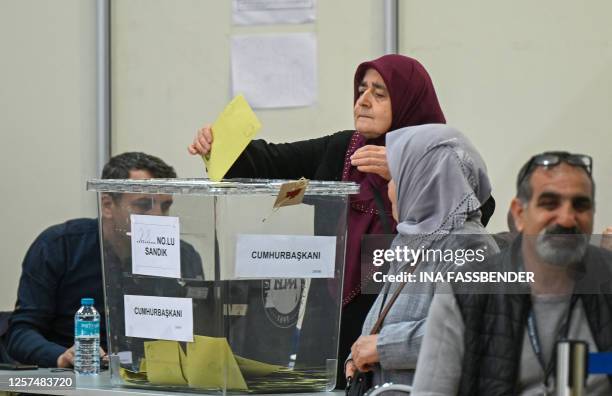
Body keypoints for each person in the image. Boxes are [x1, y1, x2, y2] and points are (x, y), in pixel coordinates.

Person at [189, 54, 455, 386]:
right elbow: (265, 162)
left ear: (407, 101)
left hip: (396, 319)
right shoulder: (343, 149)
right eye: (361, 90)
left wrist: (408, 167)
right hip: (329, 316)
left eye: (379, 93)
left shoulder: (440, 155)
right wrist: (217, 145)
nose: (364, 101)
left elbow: (474, 210)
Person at [412, 151, 612, 395]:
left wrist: (593, 364)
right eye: (549, 203)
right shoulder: (464, 292)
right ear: (519, 214)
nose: (567, 219)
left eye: (581, 205)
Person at [5, 152, 203, 368]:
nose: (157, 216)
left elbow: (200, 330)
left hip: (153, 378)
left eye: (165, 206)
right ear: (108, 205)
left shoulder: (182, 255)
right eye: (144, 205)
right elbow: (20, 334)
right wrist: (62, 356)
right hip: (74, 379)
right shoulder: (60, 246)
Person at [346, 124, 499, 388]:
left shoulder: (472, 247)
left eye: (397, 177)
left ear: (425, 182)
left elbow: (469, 329)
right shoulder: (412, 239)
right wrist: (356, 355)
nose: (390, 190)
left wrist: (383, 346)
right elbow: (386, 314)